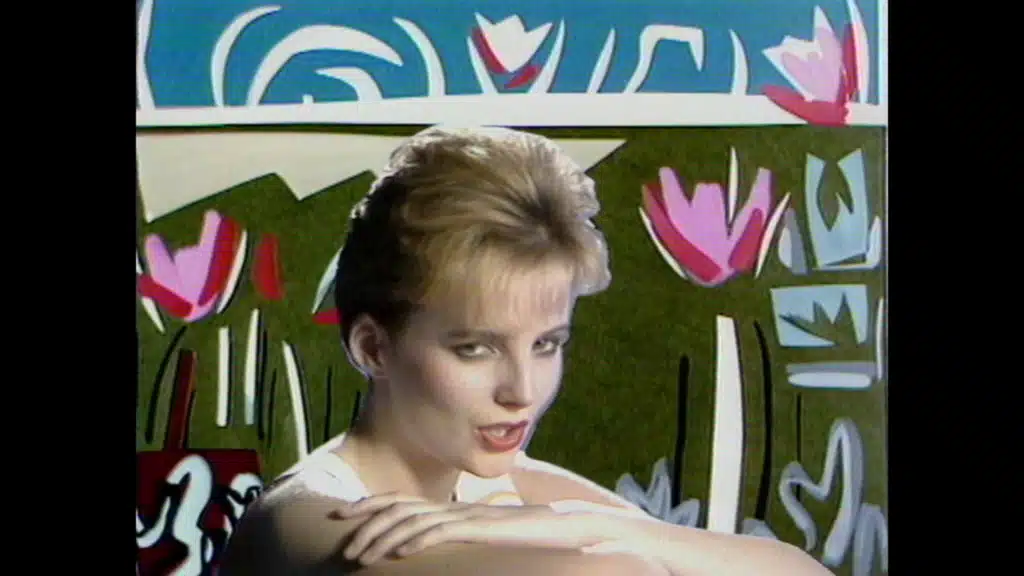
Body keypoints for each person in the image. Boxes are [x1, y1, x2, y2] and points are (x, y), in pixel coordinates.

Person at [220, 126, 831, 576]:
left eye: (546, 344)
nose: (522, 391)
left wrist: (590, 524)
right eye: (474, 348)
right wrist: (611, 541)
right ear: (374, 347)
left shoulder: (492, 491)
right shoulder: (301, 520)